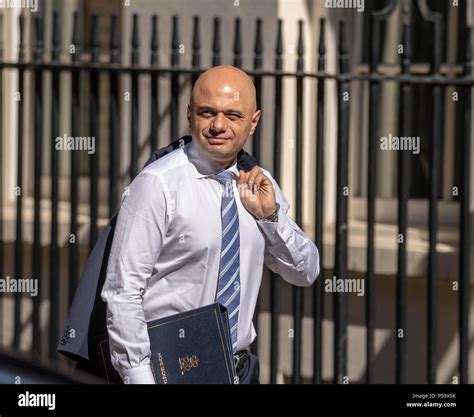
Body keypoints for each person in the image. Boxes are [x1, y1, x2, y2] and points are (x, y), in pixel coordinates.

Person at [100, 65, 320, 384]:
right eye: (207, 112)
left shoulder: (260, 185)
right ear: (190, 115)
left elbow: (305, 272)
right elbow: (123, 290)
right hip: (172, 370)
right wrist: (140, 378)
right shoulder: (158, 184)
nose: (219, 125)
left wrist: (270, 218)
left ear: (253, 122)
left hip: (240, 370)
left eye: (233, 115)